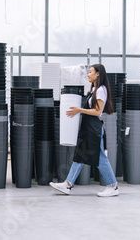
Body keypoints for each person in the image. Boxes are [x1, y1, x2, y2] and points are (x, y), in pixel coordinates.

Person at [49, 63, 119, 197]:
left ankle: (113, 186)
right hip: (88, 127)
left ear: (98, 74)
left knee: (99, 157)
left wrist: (79, 110)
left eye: (90, 72)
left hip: (94, 128)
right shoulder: (93, 90)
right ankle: (67, 184)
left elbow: (98, 111)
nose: (88, 74)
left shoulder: (101, 90)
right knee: (80, 156)